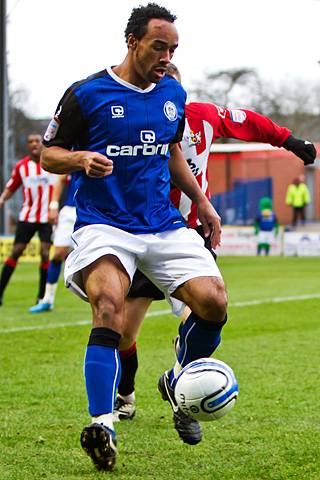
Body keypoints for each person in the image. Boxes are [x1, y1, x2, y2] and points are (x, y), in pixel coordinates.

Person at [40, 4, 227, 472]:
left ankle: (177, 380)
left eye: (173, 49)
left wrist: (201, 202)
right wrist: (80, 158)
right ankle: (103, 423)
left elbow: (169, 154)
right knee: (109, 307)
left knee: (214, 303)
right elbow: (48, 153)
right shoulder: (87, 93)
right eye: (159, 46)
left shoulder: (171, 94)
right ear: (133, 41)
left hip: (162, 223)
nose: (166, 56)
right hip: (104, 223)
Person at [114, 63, 317, 438]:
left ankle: (181, 391)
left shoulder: (204, 117)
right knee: (123, 332)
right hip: (140, 234)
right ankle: (125, 394)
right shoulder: (130, 123)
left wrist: (291, 142)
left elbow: (250, 121)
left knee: (204, 311)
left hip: (190, 236)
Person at [0, 133, 58, 306]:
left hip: (47, 217)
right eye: (30, 141)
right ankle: (0, 293)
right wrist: (2, 200)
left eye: (37, 141)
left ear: (42, 144)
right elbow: (11, 187)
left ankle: (41, 297)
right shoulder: (21, 166)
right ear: (27, 146)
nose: (34, 144)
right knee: (16, 251)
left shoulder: (53, 164)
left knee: (45, 253)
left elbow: (64, 183)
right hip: (27, 216)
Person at [29, 174, 77, 313]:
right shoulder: (75, 153)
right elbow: (61, 178)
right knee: (57, 254)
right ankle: (47, 300)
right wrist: (53, 205)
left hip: (95, 210)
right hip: (70, 211)